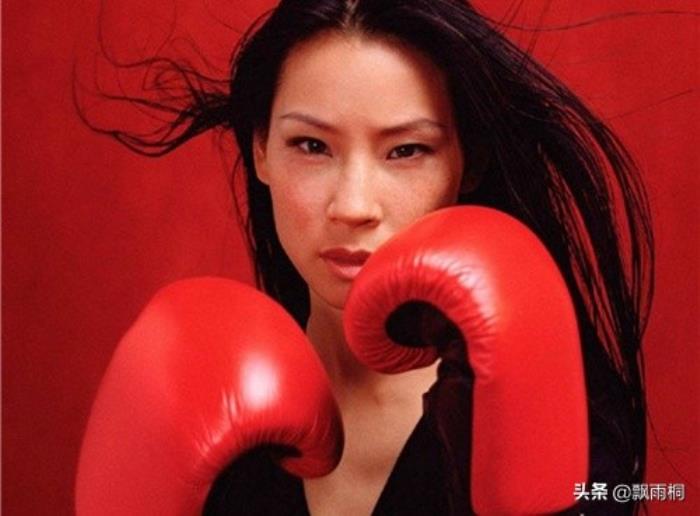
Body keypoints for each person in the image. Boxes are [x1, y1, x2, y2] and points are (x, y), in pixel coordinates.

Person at [76, 1, 654, 514]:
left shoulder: (551, 415)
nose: (353, 206)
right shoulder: (192, 401)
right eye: (312, 146)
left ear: (468, 160)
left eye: (406, 150)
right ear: (260, 149)